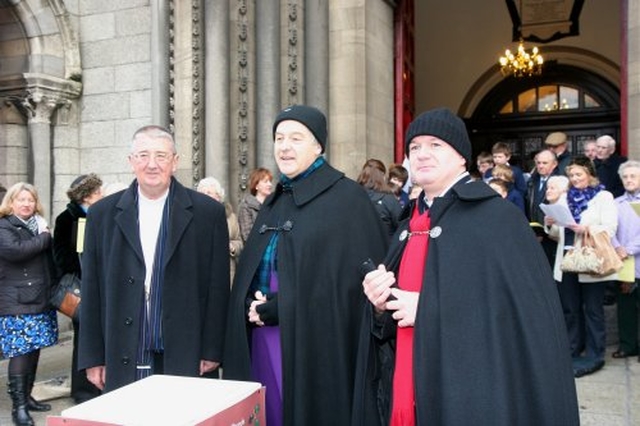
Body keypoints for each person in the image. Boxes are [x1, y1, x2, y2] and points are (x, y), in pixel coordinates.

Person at [354, 107, 579, 426]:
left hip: (472, 395)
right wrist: (380, 305)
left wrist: (429, 309)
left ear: (461, 156)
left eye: (435, 145)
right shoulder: (409, 223)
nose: (421, 154)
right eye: (414, 147)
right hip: (409, 390)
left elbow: (520, 318)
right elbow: (393, 323)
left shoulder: (498, 220)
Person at [223, 105, 388, 426]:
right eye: (279, 138)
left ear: (318, 146)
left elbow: (352, 288)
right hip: (262, 334)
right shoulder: (276, 198)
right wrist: (250, 303)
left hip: (315, 343)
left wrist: (284, 307)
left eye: (296, 138)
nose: (285, 146)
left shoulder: (348, 199)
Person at [78, 125, 230, 392]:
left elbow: (217, 288)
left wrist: (212, 347)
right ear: (131, 161)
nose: (152, 165)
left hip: (186, 348)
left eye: (161, 156)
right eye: (143, 155)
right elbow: (91, 289)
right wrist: (93, 356)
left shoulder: (208, 214)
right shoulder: (101, 215)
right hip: (123, 347)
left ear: (175, 162)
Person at [545, 156, 618, 377]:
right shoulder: (564, 197)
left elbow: (610, 228)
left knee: (593, 310)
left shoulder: (604, 196)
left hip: (590, 260)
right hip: (566, 259)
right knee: (570, 309)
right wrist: (552, 225)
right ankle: (572, 349)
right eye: (572, 175)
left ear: (590, 174)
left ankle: (595, 354)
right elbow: (558, 234)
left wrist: (585, 228)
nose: (575, 179)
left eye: (579, 174)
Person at [0, 183, 59, 426]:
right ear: (10, 203)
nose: (27, 204)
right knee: (21, 352)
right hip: (16, 300)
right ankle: (19, 408)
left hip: (39, 296)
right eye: (21, 200)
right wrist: (45, 236)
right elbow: (16, 251)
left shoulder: (36, 224)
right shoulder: (4, 225)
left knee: (34, 351)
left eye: (31, 200)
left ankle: (28, 396)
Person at [52, 174, 104, 404]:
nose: (101, 194)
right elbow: (63, 257)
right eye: (98, 191)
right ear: (89, 195)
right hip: (83, 288)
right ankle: (84, 391)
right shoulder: (68, 219)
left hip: (101, 286)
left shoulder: (100, 214)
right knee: (84, 340)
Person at [611, 160, 640, 359]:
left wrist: (628, 249)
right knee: (626, 306)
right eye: (625, 177)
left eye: (633, 176)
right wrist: (617, 247)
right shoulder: (615, 203)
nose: (629, 180)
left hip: (635, 256)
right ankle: (627, 345)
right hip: (623, 263)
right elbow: (609, 229)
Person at [196, 176, 243, 282]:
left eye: (209, 193)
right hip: (201, 269)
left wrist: (232, 246)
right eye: (202, 193)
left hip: (225, 269)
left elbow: (240, 242)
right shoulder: (193, 216)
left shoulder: (231, 217)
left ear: (218, 196)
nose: (205, 196)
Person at [526, 149, 560, 265]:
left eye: (545, 163)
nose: (540, 166)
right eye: (538, 163)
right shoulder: (532, 180)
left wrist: (544, 232)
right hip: (534, 233)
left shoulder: (560, 182)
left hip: (552, 235)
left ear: (554, 164)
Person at [357, 159, 402, 237]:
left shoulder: (353, 196)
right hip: (385, 245)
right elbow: (402, 225)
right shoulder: (389, 199)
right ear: (382, 176)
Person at [238, 167, 273, 242]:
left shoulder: (274, 204)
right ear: (256, 185)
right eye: (265, 181)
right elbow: (247, 235)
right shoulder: (247, 206)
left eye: (270, 181)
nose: (270, 184)